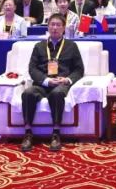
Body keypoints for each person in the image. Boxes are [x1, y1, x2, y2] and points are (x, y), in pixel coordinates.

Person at [20, 14, 85, 152]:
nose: (55, 28)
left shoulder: (72, 46)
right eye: (52, 25)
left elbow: (79, 70)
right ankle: (28, 133)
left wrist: (67, 80)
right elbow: (32, 69)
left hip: (61, 84)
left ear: (64, 28)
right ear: (48, 27)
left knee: (57, 94)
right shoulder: (39, 46)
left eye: (58, 25)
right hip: (42, 83)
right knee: (27, 93)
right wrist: (46, 80)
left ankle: (56, 133)